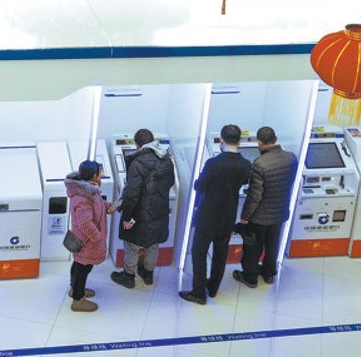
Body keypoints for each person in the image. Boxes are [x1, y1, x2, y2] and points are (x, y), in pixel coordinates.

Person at [179, 124, 253, 305]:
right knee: (220, 255)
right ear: (239, 141)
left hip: (208, 217)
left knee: (199, 253)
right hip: (228, 217)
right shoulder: (246, 164)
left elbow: (200, 186)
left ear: (221, 141)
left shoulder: (212, 163)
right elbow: (244, 182)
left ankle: (198, 293)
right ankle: (213, 288)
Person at [111, 128, 176, 288]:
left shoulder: (137, 163)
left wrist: (127, 218)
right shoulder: (166, 159)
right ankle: (148, 274)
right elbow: (171, 182)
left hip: (138, 213)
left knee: (132, 245)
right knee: (153, 244)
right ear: (153, 141)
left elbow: (132, 194)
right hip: (159, 210)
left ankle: (128, 276)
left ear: (137, 145)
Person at [234, 126, 297, 288]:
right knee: (272, 244)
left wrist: (245, 215)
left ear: (260, 143)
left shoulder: (259, 163)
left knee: (253, 247)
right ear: (275, 139)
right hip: (280, 212)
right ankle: (269, 274)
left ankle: (250, 277)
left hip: (260, 216)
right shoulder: (291, 158)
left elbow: (255, 195)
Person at [65, 160, 115, 312]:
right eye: (100, 174)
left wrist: (108, 207)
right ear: (94, 176)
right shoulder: (83, 197)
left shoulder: (88, 190)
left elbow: (98, 205)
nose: (101, 176)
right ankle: (78, 300)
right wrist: (98, 238)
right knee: (82, 270)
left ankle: (75, 290)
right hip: (86, 242)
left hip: (85, 240)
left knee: (79, 266)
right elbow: (86, 224)